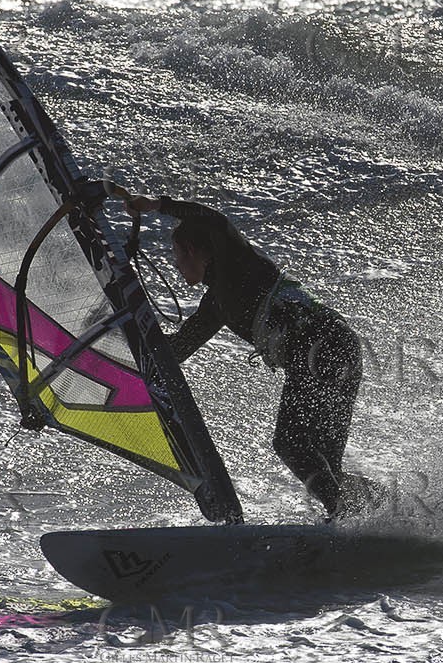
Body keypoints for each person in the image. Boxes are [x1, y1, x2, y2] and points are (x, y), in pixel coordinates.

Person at [125, 193, 384, 522]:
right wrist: (125, 331)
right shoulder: (216, 304)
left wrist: (156, 205)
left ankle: (343, 517)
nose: (176, 265)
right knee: (325, 465)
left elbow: (214, 221)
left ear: (192, 250)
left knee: (290, 444)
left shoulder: (238, 263)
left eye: (177, 255)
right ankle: (390, 508)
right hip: (338, 348)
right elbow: (175, 352)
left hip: (321, 346)